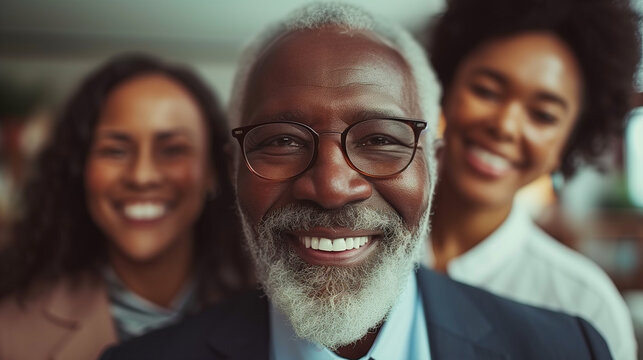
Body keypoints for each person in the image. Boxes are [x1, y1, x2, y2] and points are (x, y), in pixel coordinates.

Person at [100, 4, 612, 359]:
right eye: (281, 141)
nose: (330, 186)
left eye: (382, 140)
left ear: (431, 164)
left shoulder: (569, 347)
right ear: (233, 169)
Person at [425, 0, 641, 358]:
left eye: (542, 115)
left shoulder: (582, 306)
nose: (505, 126)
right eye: (486, 91)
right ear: (446, 87)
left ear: (571, 140)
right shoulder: (356, 247)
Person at [0, 53, 253, 360]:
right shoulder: (11, 334)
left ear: (213, 170)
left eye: (172, 150)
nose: (141, 176)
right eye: (115, 150)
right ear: (81, 168)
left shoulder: (278, 319)